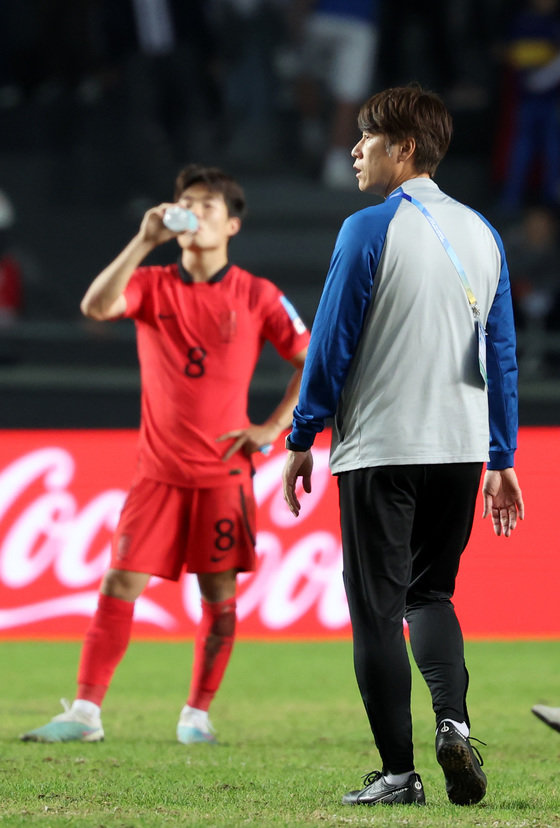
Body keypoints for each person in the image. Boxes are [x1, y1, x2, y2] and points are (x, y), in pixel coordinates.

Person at [282, 85, 524, 807]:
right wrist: (503, 457)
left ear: (405, 148)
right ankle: (454, 721)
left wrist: (302, 433)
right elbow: (502, 353)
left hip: (382, 444)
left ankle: (398, 774)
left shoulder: (366, 229)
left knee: (377, 614)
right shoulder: (484, 233)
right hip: (459, 449)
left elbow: (330, 343)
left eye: (367, 138)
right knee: (433, 594)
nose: (354, 149)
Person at [21, 164, 309, 745]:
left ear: (232, 224)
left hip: (224, 474)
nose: (195, 213)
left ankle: (196, 715)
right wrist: (142, 240)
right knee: (118, 584)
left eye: (207, 206)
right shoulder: (153, 285)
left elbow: (313, 359)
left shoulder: (257, 294)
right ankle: (84, 713)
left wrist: (274, 427)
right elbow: (97, 307)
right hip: (157, 473)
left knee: (218, 597)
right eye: (187, 203)